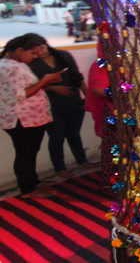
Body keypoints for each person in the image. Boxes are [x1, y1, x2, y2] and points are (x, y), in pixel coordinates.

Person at [0, 34, 64, 197]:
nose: (36, 57)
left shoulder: (13, 64)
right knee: (26, 153)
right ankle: (27, 189)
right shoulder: (11, 67)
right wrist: (45, 81)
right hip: (22, 119)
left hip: (29, 117)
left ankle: (32, 181)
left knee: (30, 152)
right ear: (20, 50)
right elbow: (22, 94)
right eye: (33, 53)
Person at [28, 35, 97, 179]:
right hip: (51, 106)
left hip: (74, 101)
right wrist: (54, 88)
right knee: (57, 137)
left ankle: (82, 160)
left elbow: (77, 77)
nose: (40, 53)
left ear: (46, 44)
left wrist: (86, 96)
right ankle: (59, 168)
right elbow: (30, 88)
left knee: (74, 134)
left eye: (41, 48)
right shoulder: (32, 63)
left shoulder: (63, 55)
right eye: (36, 51)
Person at [84, 41, 117, 192]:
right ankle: (112, 182)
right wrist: (127, 94)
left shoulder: (126, 62)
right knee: (114, 148)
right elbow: (99, 90)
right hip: (113, 113)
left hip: (128, 111)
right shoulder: (101, 65)